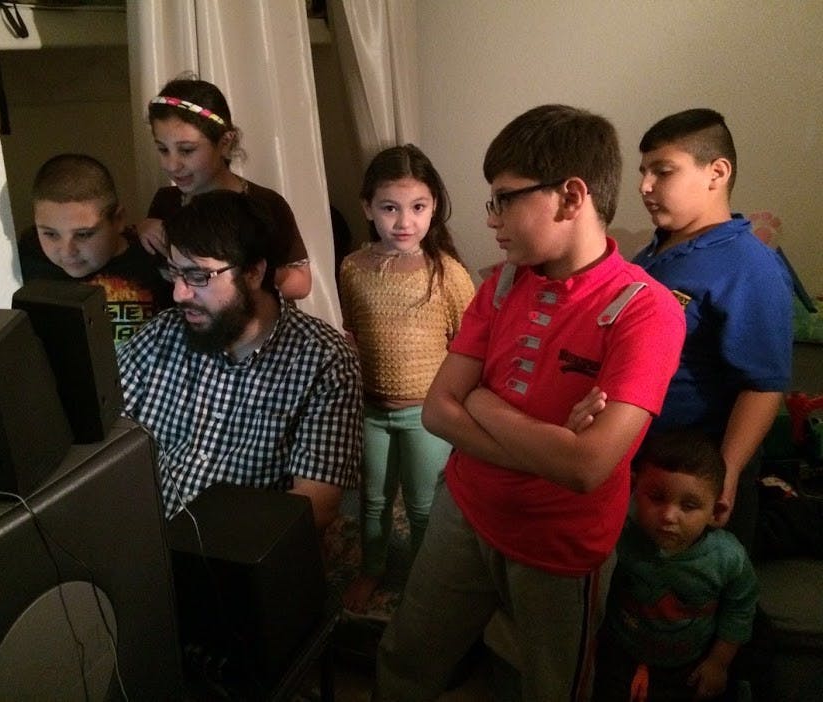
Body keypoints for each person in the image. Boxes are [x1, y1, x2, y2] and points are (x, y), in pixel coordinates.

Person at [374, 105, 686, 702]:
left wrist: (485, 405)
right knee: (407, 657)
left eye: (504, 198)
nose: (491, 218)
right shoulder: (503, 282)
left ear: (571, 197)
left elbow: (587, 467)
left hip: (559, 547)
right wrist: (550, 443)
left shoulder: (646, 310)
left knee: (547, 686)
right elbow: (439, 410)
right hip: (464, 512)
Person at [118, 189, 362, 530]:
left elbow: (317, 501)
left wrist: (200, 543)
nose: (179, 293)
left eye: (198, 276)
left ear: (252, 273)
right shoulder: (161, 335)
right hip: (136, 535)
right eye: (175, 273)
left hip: (239, 551)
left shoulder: (324, 359)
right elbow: (106, 435)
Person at [633, 108, 793, 554]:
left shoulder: (749, 267)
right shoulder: (655, 249)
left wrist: (727, 471)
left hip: (696, 478)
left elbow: (763, 385)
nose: (645, 186)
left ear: (716, 173)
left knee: (702, 593)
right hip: (643, 465)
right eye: (643, 172)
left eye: (662, 171)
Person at [338, 144, 475, 613]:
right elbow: (353, 330)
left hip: (427, 415)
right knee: (371, 501)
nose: (404, 222)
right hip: (372, 411)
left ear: (434, 207)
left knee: (422, 506)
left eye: (418, 208)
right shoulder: (353, 269)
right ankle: (372, 568)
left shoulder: (448, 275)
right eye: (390, 208)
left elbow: (469, 345)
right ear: (368, 208)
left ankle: (423, 577)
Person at [593, 429, 758, 702]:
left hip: (690, 664)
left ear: (715, 510)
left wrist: (719, 663)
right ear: (634, 489)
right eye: (656, 498)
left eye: (689, 505)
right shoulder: (619, 533)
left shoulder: (728, 558)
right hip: (620, 653)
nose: (669, 516)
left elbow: (740, 611)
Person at [138, 74, 312, 301]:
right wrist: (141, 229)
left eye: (187, 150)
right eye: (163, 150)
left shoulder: (266, 203)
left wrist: (239, 272)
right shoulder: (166, 202)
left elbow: (301, 283)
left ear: (225, 143)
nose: (172, 164)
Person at [18, 153, 173, 349]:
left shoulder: (153, 257)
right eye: (50, 234)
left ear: (118, 220)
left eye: (83, 234)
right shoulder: (26, 258)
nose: (67, 252)